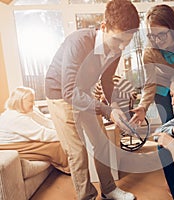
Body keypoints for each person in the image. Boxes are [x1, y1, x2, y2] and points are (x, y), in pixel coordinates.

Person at [44, 0, 140, 199]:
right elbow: (69, 92)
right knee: (78, 152)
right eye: (118, 40)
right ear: (104, 27)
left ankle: (109, 189)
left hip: (82, 92)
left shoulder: (117, 48)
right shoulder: (78, 42)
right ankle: (86, 196)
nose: (121, 47)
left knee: (101, 143)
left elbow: (107, 80)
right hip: (60, 95)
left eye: (127, 42)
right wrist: (106, 110)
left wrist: (114, 106)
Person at [0, 87, 69, 174]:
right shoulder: (15, 118)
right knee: (57, 145)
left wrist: (66, 129)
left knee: (60, 141)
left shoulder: (30, 111)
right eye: (30, 101)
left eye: (33, 100)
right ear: (19, 101)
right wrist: (67, 136)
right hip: (10, 146)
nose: (33, 103)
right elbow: (43, 134)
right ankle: (70, 169)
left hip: (25, 141)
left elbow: (47, 123)